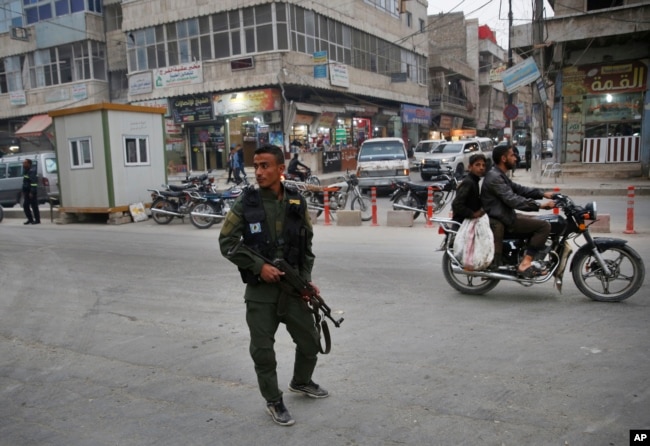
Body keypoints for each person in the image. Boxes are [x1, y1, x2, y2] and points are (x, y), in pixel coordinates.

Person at [219, 144, 328, 427]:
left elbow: (307, 247)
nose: (259, 172)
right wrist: (259, 266)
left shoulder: (296, 202)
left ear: (281, 169)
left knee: (310, 341)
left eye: (265, 166)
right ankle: (273, 399)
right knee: (263, 351)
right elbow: (227, 243)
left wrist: (306, 279)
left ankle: (301, 381)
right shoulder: (247, 202)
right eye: (255, 166)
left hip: (292, 288)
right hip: (261, 293)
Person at [481, 144, 555, 277]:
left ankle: (526, 256)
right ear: (503, 158)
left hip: (505, 215)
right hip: (503, 219)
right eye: (512, 155)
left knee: (539, 221)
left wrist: (542, 194)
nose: (515, 158)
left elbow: (519, 189)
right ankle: (525, 263)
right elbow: (512, 199)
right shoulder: (495, 177)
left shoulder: (499, 174)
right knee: (544, 226)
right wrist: (540, 206)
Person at [451, 153, 487, 224]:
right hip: (463, 222)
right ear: (470, 167)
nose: (481, 168)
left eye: (483, 165)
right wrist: (473, 214)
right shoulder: (469, 182)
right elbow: (456, 204)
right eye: (477, 165)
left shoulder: (475, 181)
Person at [22, 158, 40, 225]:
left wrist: (32, 192)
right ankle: (30, 219)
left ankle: (37, 220)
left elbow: (34, 183)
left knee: (34, 206)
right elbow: (25, 182)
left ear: (29, 164)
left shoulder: (32, 171)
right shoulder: (26, 170)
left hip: (31, 192)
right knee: (25, 206)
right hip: (26, 191)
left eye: (25, 163)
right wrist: (23, 191)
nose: (23, 164)